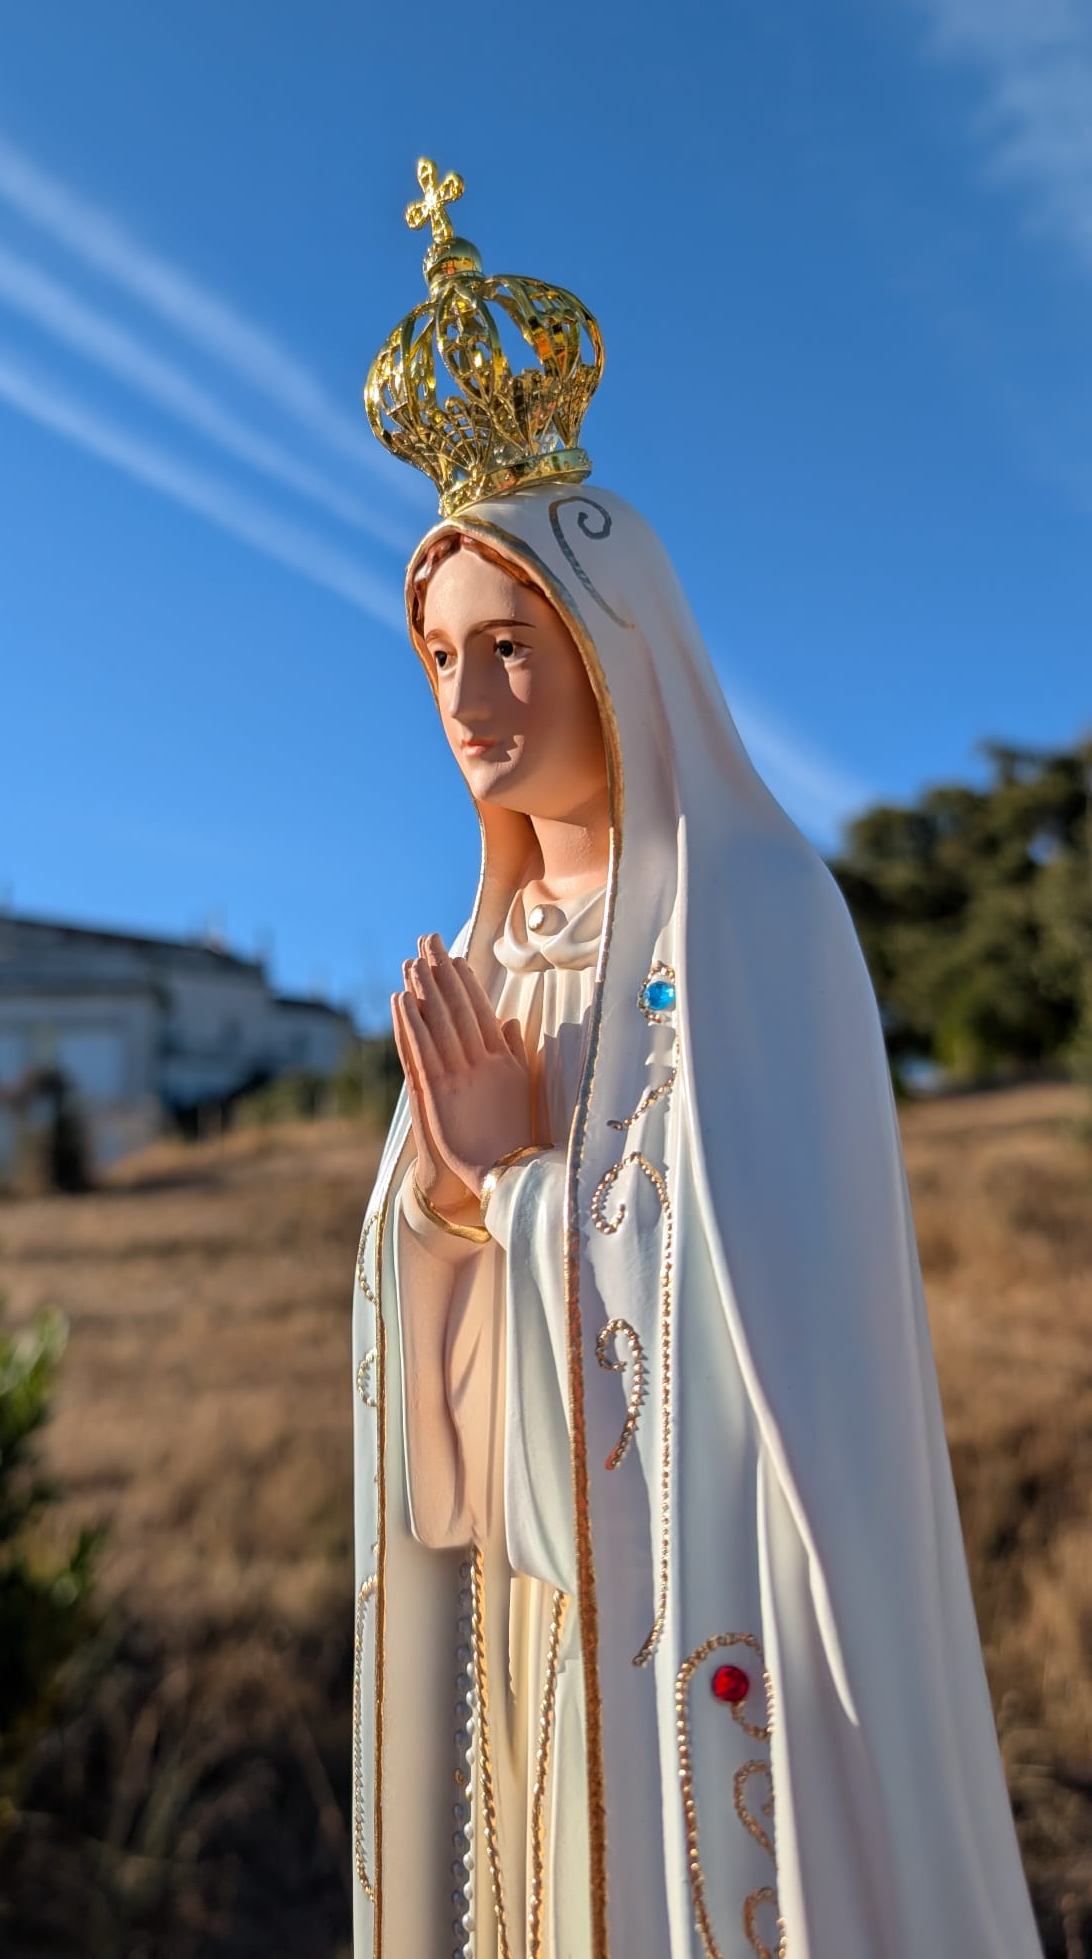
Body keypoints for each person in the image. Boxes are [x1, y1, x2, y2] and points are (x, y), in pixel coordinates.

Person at [348, 160, 1043, 1959]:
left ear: (616, 652)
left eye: (512, 647)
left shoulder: (749, 908)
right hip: (530, 1606)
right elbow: (418, 1337)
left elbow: (763, 1326)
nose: (472, 702)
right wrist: (434, 1201)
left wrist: (512, 1180)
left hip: (699, 1621)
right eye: (439, 660)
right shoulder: (493, 948)